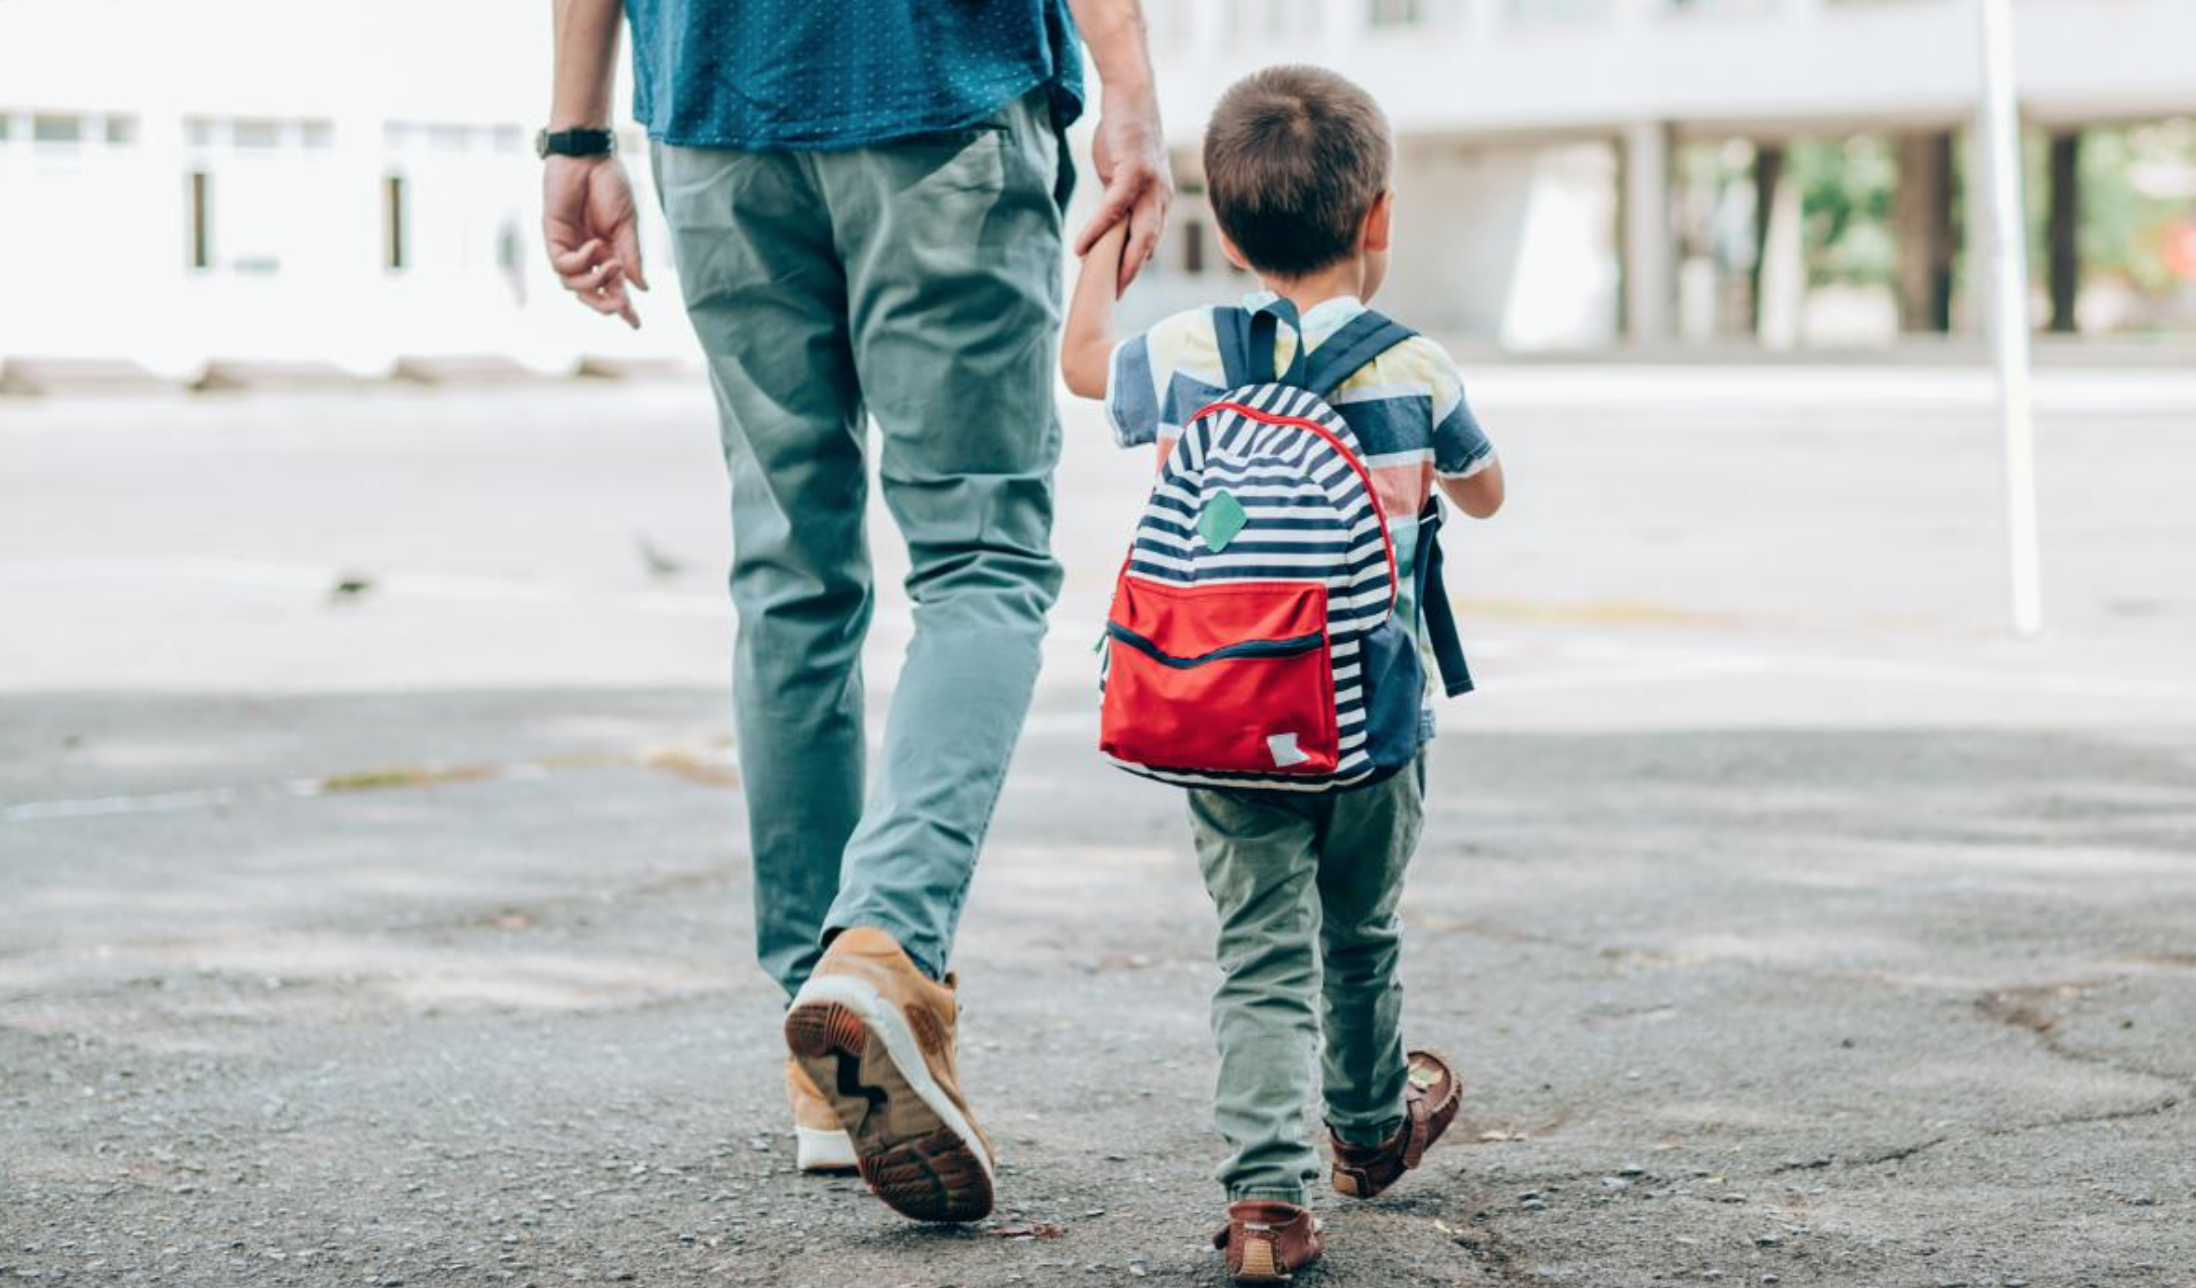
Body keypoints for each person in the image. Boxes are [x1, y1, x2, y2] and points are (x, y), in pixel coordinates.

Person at [541, 0, 1170, 1225]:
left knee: (790, 577)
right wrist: (1131, 92)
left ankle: (822, 1064)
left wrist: (574, 136)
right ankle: (878, 951)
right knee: (980, 558)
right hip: (932, 90)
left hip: (717, 117)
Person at [1059, 65, 1506, 1284]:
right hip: (1375, 727)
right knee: (1357, 934)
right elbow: (1487, 486)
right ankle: (1366, 1131)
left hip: (1225, 710)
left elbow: (1082, 360)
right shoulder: (1414, 366)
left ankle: (1268, 1204)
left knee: (1260, 950)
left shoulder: (1192, 350)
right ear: (1379, 220)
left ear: (1232, 228)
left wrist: (1109, 222)